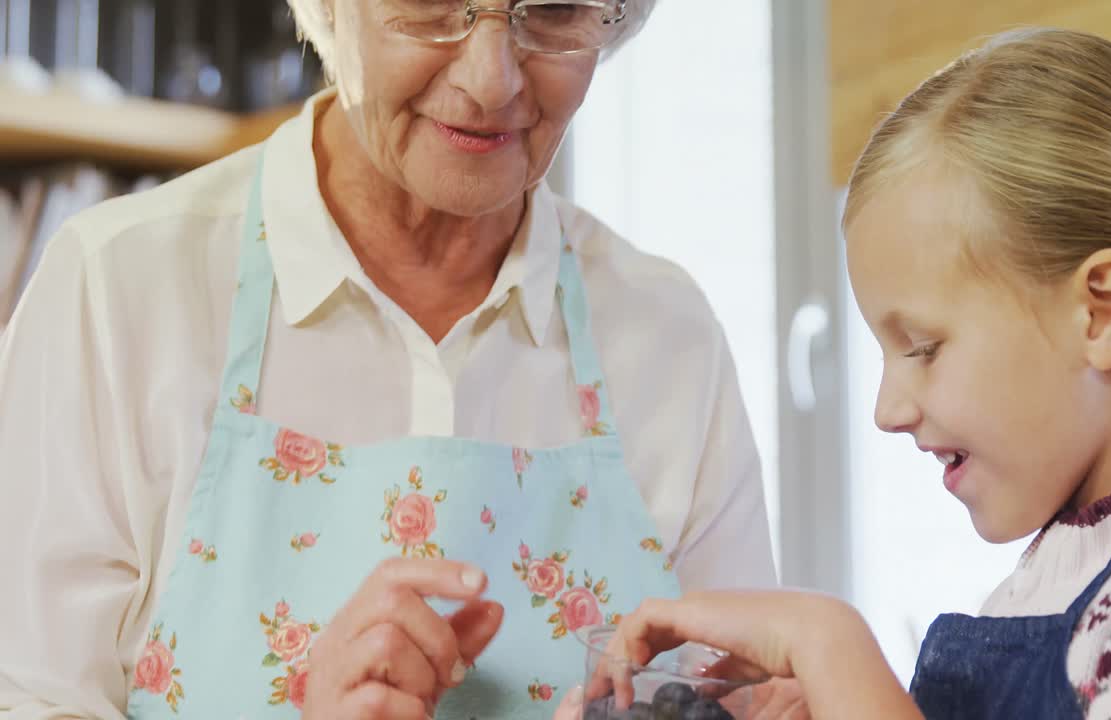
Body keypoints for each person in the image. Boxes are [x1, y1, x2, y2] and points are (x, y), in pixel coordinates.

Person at [0, 1, 779, 718]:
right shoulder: (113, 291)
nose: (490, 79)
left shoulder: (669, 336)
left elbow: (734, 696)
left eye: (554, 10)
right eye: (434, 3)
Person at [557, 27, 1111, 719]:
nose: (887, 409)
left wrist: (831, 647)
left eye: (924, 347)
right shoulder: (1062, 573)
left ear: (1101, 312)